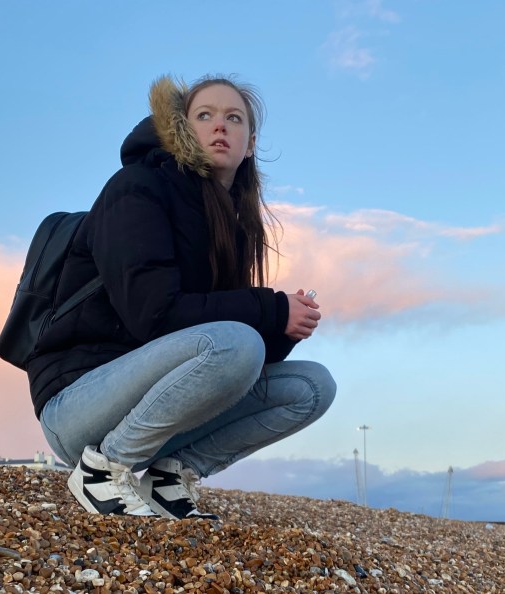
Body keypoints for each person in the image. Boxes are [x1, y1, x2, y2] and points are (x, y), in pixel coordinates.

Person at [27, 74, 336, 519]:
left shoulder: (230, 222)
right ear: (181, 130)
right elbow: (154, 316)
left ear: (250, 143)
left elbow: (227, 356)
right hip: (77, 406)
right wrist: (268, 308)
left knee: (312, 387)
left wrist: (286, 325)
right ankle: (104, 468)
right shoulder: (136, 188)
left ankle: (170, 477)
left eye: (234, 118)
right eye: (204, 115)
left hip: (156, 405)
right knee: (236, 342)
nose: (220, 127)